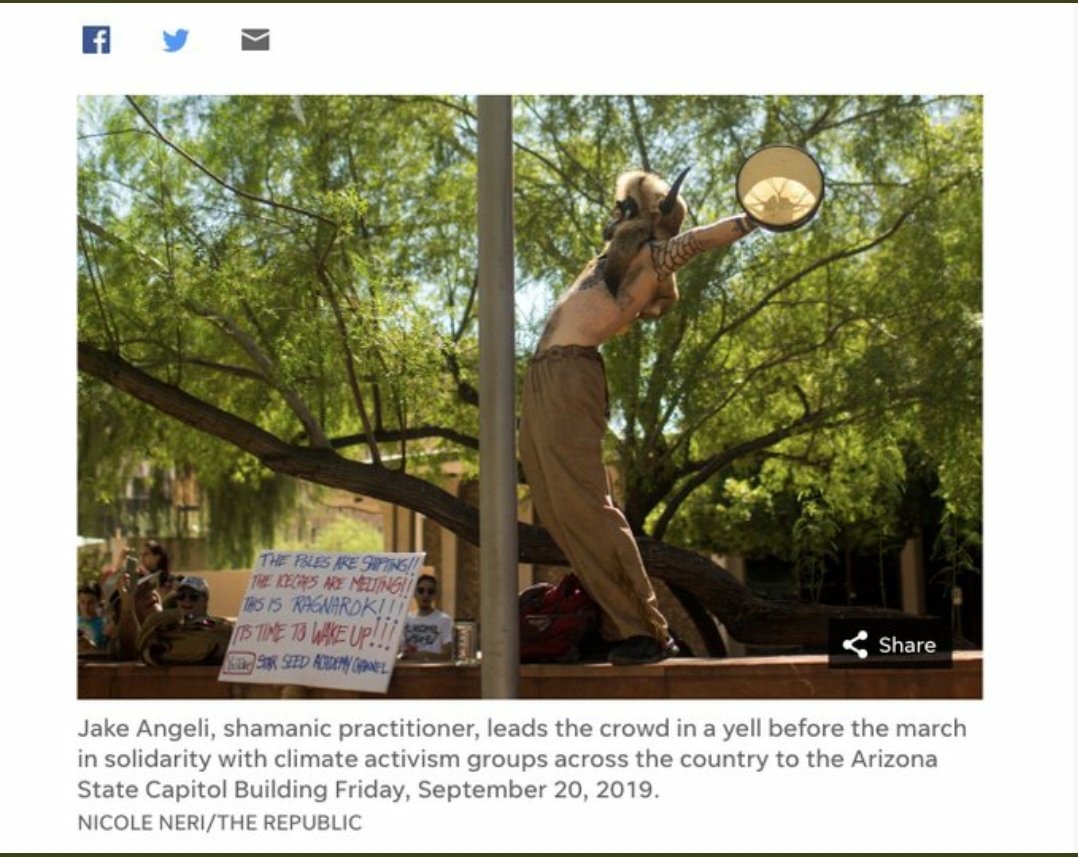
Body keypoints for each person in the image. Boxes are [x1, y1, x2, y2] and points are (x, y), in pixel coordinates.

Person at [519, 167, 758, 665]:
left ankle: (647, 629)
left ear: (642, 213)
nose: (613, 213)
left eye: (621, 205)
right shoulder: (612, 259)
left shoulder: (651, 254)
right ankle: (611, 624)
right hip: (543, 377)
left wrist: (751, 219)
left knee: (588, 508)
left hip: (571, 376)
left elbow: (696, 241)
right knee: (559, 511)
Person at [400, 574, 454, 661]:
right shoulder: (405, 619)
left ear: (435, 595)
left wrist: (425, 655)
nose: (425, 595)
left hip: (433, 669)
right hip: (407, 668)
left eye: (430, 592)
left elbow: (449, 655)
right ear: (414, 594)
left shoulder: (444, 620)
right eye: (421, 591)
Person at [77, 583, 106, 650]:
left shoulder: (104, 625)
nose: (86, 607)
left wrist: (90, 646)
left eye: (90, 603)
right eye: (82, 602)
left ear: (98, 602)